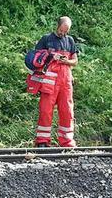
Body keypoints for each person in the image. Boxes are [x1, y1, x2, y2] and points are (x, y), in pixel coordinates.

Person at [29, 16, 79, 147]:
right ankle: (42, 142)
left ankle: (67, 142)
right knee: (45, 110)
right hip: (49, 81)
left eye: (66, 31)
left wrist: (66, 61)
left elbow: (75, 61)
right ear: (57, 26)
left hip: (66, 81)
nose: (63, 33)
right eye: (62, 30)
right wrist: (51, 56)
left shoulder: (70, 41)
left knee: (67, 110)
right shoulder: (46, 39)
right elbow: (36, 58)